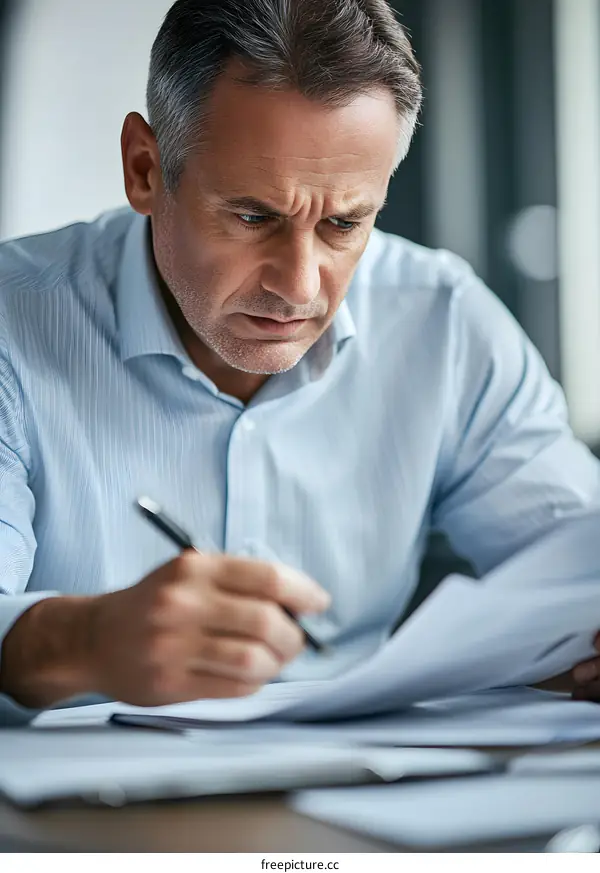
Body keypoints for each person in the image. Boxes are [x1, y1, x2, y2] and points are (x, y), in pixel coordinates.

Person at [0, 0, 599, 728]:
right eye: (254, 217)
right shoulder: (13, 323)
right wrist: (88, 640)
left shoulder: (442, 321)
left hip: (371, 804)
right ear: (146, 168)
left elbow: (574, 563)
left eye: (345, 224)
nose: (300, 285)